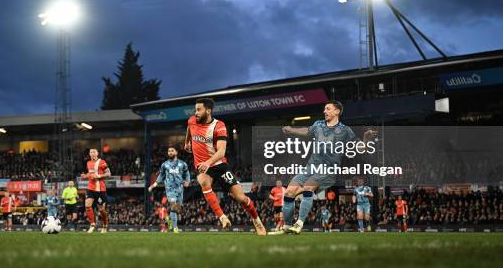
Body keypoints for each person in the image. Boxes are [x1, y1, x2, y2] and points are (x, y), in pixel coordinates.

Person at [273, 100, 377, 235]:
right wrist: (292, 129)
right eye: (324, 109)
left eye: (328, 109)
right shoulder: (318, 125)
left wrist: (365, 139)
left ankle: (299, 224)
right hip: (310, 168)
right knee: (289, 192)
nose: (324, 111)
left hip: (328, 170)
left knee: (308, 188)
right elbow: (307, 131)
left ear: (337, 111)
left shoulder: (345, 130)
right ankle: (286, 227)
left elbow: (361, 149)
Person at [184, 98, 266, 235]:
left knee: (241, 198)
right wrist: (187, 142)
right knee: (203, 181)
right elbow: (189, 128)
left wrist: (208, 162)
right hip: (204, 168)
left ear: (208, 111)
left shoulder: (219, 126)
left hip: (219, 165)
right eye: (195, 110)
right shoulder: (192, 120)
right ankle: (222, 217)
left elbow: (221, 152)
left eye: (199, 110)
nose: (195, 113)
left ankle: (256, 220)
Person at [148, 145, 191, 233]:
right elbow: (161, 175)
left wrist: (187, 181)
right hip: (170, 189)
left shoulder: (183, 164)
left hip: (180, 188)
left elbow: (187, 173)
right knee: (173, 207)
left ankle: (170, 221)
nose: (170, 152)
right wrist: (154, 184)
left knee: (177, 209)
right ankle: (175, 228)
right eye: (169, 151)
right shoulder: (165, 165)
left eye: (172, 151)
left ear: (176, 152)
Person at [81, 148, 111, 234]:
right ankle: (92, 224)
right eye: (91, 152)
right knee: (87, 205)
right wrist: (85, 176)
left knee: (101, 210)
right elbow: (90, 174)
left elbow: (108, 174)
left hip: (100, 189)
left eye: (94, 152)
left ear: (97, 153)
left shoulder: (102, 162)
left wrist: (97, 176)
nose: (92, 153)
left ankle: (105, 225)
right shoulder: (88, 163)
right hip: (90, 188)